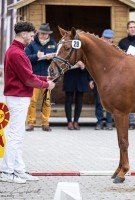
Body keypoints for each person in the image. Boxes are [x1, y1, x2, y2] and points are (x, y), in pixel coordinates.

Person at [0, 21, 55, 184]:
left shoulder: (17, 51)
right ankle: (7, 171)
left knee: (17, 135)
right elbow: (27, 78)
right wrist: (46, 84)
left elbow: (28, 74)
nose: (32, 39)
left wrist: (45, 78)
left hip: (18, 96)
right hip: (18, 97)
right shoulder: (16, 53)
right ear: (23, 34)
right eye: (31, 35)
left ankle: (17, 169)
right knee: (15, 136)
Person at [25, 23, 57, 132]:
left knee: (46, 101)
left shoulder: (53, 44)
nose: (44, 35)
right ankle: (31, 123)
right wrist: (36, 56)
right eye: (42, 33)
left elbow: (58, 59)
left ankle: (45, 123)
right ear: (38, 33)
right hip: (34, 76)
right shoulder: (31, 43)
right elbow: (25, 58)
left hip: (47, 77)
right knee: (32, 101)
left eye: (46, 34)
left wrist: (50, 58)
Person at [88, 29, 114, 130]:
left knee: (109, 102)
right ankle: (99, 121)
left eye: (109, 38)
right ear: (102, 38)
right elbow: (92, 65)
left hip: (112, 81)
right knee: (99, 102)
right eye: (105, 38)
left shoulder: (116, 50)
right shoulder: (96, 50)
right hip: (98, 80)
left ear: (112, 39)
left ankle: (109, 122)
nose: (107, 40)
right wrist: (91, 79)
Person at [63, 61, 89, 130]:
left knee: (79, 101)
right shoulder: (68, 50)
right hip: (69, 77)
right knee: (68, 100)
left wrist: (83, 67)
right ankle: (69, 122)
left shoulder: (83, 51)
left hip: (81, 78)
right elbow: (63, 63)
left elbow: (89, 66)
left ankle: (76, 121)